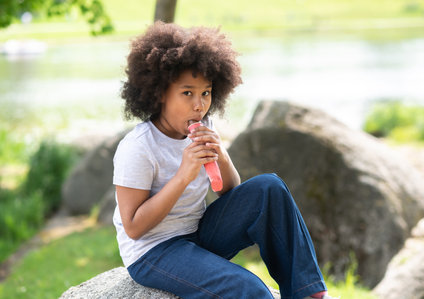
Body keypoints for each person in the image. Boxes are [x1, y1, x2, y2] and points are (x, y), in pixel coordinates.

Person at [113, 21, 337, 299]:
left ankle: (307, 293)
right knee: (250, 289)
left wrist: (219, 154)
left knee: (270, 187)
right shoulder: (138, 147)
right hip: (154, 251)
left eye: (205, 92)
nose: (199, 104)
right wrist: (183, 175)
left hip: (198, 232)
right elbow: (134, 227)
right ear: (159, 93)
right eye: (187, 93)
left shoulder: (204, 126)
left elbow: (230, 191)